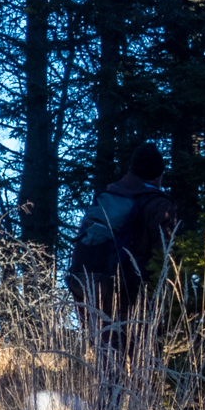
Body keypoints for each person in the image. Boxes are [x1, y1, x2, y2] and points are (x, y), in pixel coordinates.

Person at [65, 141, 180, 331]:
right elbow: (168, 258)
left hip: (96, 291)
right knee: (141, 358)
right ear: (159, 174)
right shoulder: (159, 205)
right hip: (135, 298)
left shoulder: (108, 197)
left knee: (105, 355)